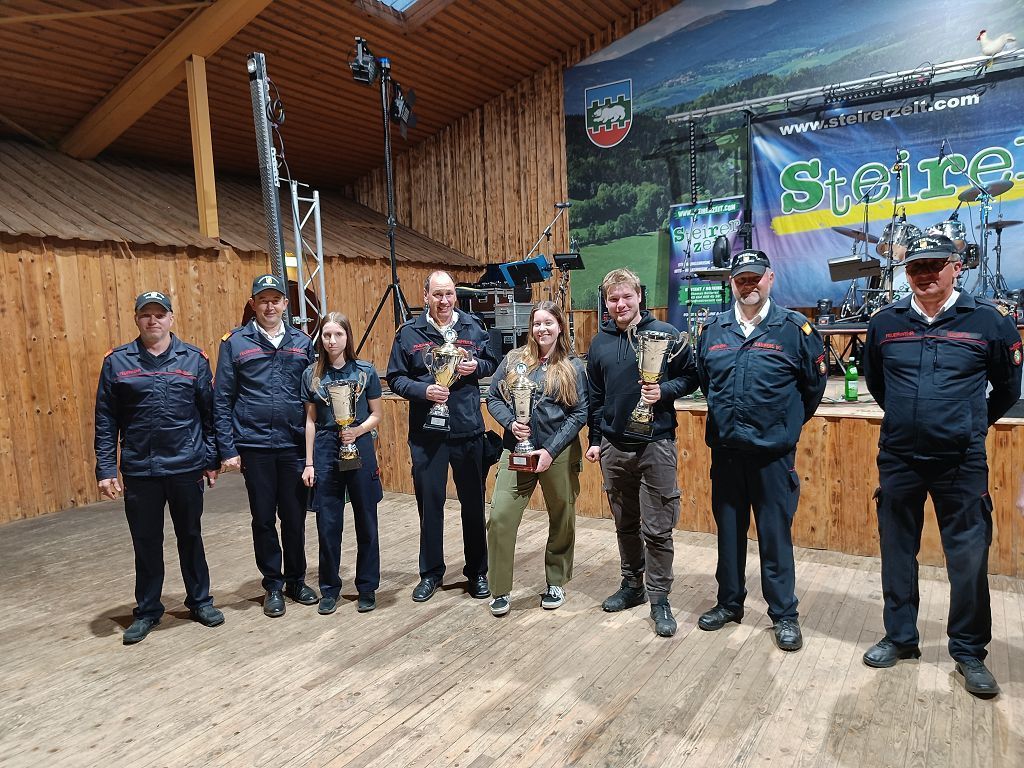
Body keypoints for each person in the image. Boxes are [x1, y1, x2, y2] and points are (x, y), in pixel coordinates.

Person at [862, 234, 1022, 697]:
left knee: (968, 559)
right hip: (899, 458)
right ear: (905, 273)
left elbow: (1008, 388)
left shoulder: (989, 321)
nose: (925, 274)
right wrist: (910, 420)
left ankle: (969, 651)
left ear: (957, 267)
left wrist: (971, 425)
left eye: (935, 265)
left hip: (961, 462)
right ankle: (900, 638)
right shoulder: (885, 322)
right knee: (897, 551)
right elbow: (877, 383)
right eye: (916, 267)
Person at [694, 250, 827, 652]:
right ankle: (729, 604)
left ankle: (784, 614)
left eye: (755, 277)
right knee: (729, 535)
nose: (748, 285)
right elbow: (707, 382)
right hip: (727, 453)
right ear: (732, 283)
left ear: (770, 278)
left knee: (775, 537)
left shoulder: (794, 329)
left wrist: (784, 426)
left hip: (772, 457)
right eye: (741, 279)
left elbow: (813, 389)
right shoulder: (713, 330)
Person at [94, 291, 224, 645]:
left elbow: (209, 414)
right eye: (146, 314)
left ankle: (200, 601)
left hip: (186, 466)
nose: (153, 320)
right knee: (146, 542)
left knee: (191, 536)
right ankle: (148, 610)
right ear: (137, 319)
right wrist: (106, 469)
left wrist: (211, 459)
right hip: (140, 470)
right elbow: (105, 420)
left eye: (159, 314)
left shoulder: (194, 359)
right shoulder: (117, 362)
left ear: (171, 318)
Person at [585, 268, 699, 637]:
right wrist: (595, 440)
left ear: (639, 297)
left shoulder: (665, 334)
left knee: (658, 529)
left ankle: (660, 598)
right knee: (625, 525)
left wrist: (663, 391)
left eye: (626, 297)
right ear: (606, 302)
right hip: (614, 447)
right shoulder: (599, 344)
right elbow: (596, 398)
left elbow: (692, 376)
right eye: (613, 298)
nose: (620, 304)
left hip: (656, 444)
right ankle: (632, 585)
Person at [386, 270, 499, 602]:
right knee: (430, 505)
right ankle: (431, 573)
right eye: (437, 294)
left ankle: (477, 572)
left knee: (473, 505)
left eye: (449, 294)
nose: (444, 300)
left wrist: (476, 367)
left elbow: (492, 361)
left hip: (467, 430)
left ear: (455, 295)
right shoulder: (409, 333)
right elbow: (395, 377)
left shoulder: (473, 326)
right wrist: (424, 390)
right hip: (427, 435)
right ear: (426, 297)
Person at [214, 274, 317, 617]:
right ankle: (273, 584)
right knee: (262, 518)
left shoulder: (302, 343)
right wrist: (227, 448)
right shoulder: (235, 343)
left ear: (285, 304)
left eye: (276, 300)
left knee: (294, 517)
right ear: (253, 304)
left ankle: (296, 580)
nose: (270, 306)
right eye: (263, 300)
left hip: (293, 445)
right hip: (254, 445)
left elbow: (313, 397)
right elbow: (222, 398)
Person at [485, 301, 588, 616]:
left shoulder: (573, 366)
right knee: (500, 516)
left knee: (562, 517)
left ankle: (556, 581)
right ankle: (499, 589)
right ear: (530, 328)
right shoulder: (514, 359)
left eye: (548, 323)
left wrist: (551, 450)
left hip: (558, 452)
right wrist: (510, 423)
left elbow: (580, 412)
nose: (542, 329)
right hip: (516, 450)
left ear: (560, 326)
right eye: (537, 323)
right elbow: (492, 397)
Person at [301, 312, 384, 614]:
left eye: (338, 334)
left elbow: (376, 414)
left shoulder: (365, 371)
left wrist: (358, 430)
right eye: (327, 335)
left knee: (366, 519)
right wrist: (309, 463)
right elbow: (310, 421)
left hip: (358, 444)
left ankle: (367, 586)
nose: (332, 340)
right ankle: (329, 588)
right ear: (320, 339)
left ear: (348, 337)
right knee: (327, 523)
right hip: (325, 448)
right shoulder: (311, 374)